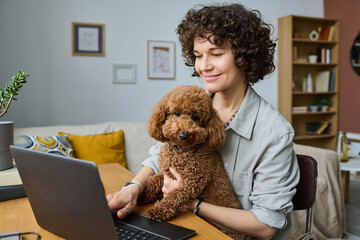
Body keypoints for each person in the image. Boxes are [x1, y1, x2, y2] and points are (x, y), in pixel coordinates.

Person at [107, 3, 300, 239]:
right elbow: (161, 155)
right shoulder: (194, 106)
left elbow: (266, 226)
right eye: (198, 56)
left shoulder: (275, 133)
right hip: (189, 227)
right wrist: (133, 188)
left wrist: (192, 203)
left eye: (216, 54)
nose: (203, 66)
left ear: (245, 57)